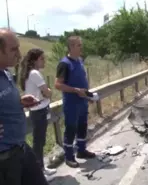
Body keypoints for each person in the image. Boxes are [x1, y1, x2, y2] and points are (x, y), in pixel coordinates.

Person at [0, 28, 48, 185]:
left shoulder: (6, 73)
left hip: (21, 147)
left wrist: (19, 102)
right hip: (5, 160)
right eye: (13, 49)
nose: (19, 54)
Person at [54, 35, 95, 168]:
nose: (81, 47)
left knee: (82, 126)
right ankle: (69, 156)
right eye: (79, 45)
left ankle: (81, 150)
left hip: (82, 101)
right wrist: (75, 90)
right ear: (71, 46)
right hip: (71, 103)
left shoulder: (80, 61)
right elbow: (58, 84)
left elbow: (82, 79)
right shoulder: (64, 64)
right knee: (71, 128)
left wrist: (88, 95)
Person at [19, 48, 57, 181]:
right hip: (39, 110)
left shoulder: (30, 73)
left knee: (39, 141)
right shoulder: (35, 73)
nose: (44, 61)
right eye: (42, 58)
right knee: (38, 142)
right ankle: (40, 171)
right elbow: (47, 92)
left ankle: (42, 168)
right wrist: (49, 91)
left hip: (38, 110)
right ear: (35, 61)